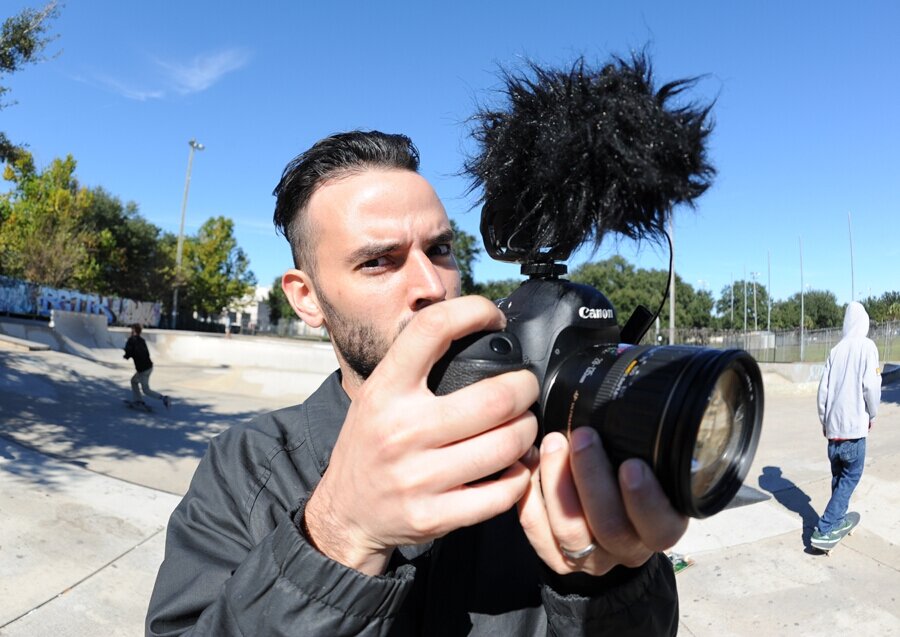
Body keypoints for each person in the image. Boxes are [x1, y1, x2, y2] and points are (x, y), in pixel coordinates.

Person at [146, 131, 687, 636]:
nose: (432, 286)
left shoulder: (550, 457)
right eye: (378, 261)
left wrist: (610, 579)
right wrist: (340, 532)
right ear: (306, 298)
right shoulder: (246, 468)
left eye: (440, 250)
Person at [812, 301, 881, 547]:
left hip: (833, 434)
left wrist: (825, 421)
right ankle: (826, 527)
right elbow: (871, 386)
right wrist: (872, 414)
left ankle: (837, 518)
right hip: (854, 431)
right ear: (863, 323)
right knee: (850, 478)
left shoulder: (835, 351)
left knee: (839, 478)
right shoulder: (867, 347)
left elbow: (823, 392)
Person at [124, 323, 170, 410]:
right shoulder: (142, 340)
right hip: (149, 366)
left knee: (146, 390)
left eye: (131, 330)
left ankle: (164, 398)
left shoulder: (131, 340)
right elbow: (146, 353)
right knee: (134, 381)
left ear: (133, 330)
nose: (130, 331)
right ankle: (138, 400)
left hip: (143, 369)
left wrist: (126, 355)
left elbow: (128, 353)